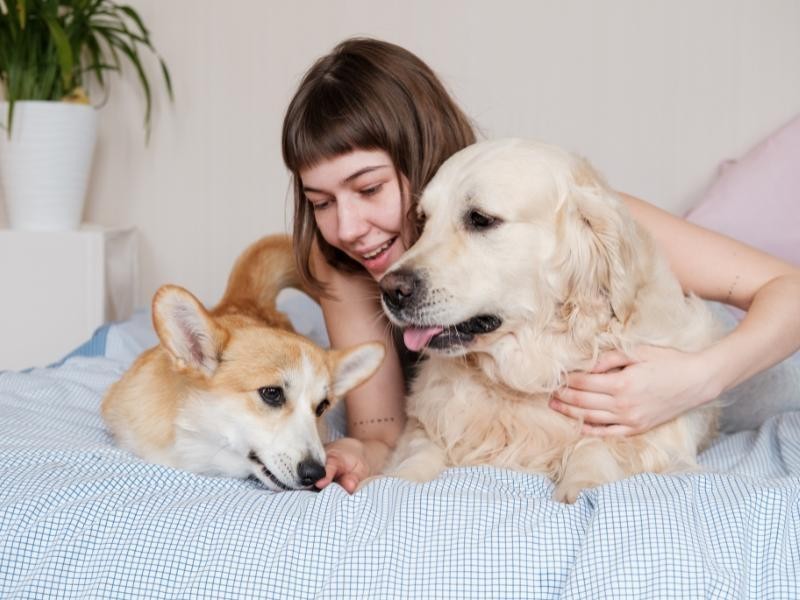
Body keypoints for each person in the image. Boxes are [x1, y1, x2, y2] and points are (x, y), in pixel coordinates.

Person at [281, 37, 800, 493]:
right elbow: (381, 428)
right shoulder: (343, 263)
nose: (346, 226)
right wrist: (358, 453)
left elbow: (788, 288)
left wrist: (695, 379)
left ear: (422, 157)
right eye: (321, 202)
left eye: (369, 188)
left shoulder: (572, 207)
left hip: (747, 357)